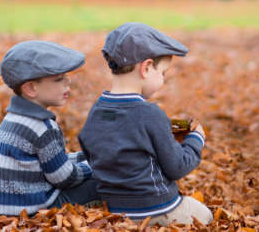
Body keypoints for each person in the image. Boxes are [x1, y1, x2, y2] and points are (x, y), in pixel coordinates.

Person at [79, 22, 213, 226]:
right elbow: (177, 167)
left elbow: (96, 143)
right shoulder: (150, 113)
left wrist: (175, 127)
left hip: (115, 211)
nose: (163, 79)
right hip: (156, 208)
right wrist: (196, 138)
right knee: (205, 215)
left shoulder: (98, 110)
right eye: (163, 73)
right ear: (146, 68)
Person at [0, 40, 98, 216]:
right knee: (99, 184)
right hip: (32, 209)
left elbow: (50, 162)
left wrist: (84, 157)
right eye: (59, 79)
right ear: (31, 88)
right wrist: (95, 166)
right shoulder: (42, 127)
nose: (68, 82)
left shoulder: (14, 119)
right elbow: (65, 178)